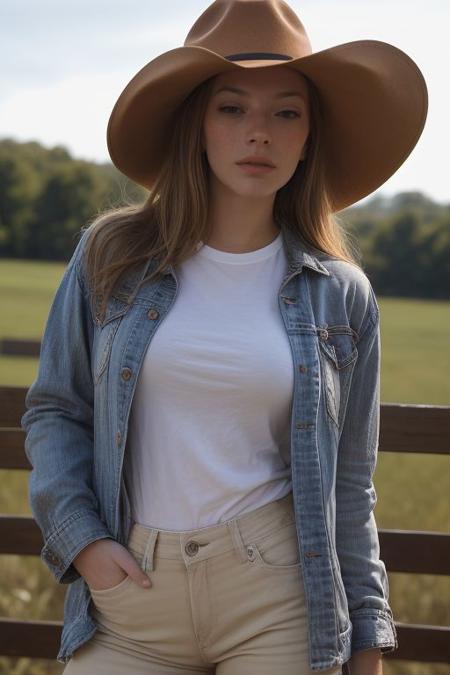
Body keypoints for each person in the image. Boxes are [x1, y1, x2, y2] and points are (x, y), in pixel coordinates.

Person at [21, 1, 428, 673]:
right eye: (232, 108)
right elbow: (56, 408)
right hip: (131, 598)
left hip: (276, 593)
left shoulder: (342, 292)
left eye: (286, 112)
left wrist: (367, 637)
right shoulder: (111, 254)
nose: (259, 133)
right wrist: (85, 543)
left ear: (309, 137)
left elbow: (350, 482)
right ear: (198, 127)